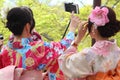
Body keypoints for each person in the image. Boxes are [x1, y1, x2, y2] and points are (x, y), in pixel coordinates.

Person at [0, 6, 80, 80]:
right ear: (28, 26)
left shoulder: (4, 50)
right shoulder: (37, 48)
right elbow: (62, 46)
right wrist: (72, 29)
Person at [58, 6, 120, 80]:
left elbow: (64, 62)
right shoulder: (117, 52)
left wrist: (77, 39)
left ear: (93, 28)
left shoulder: (89, 54)